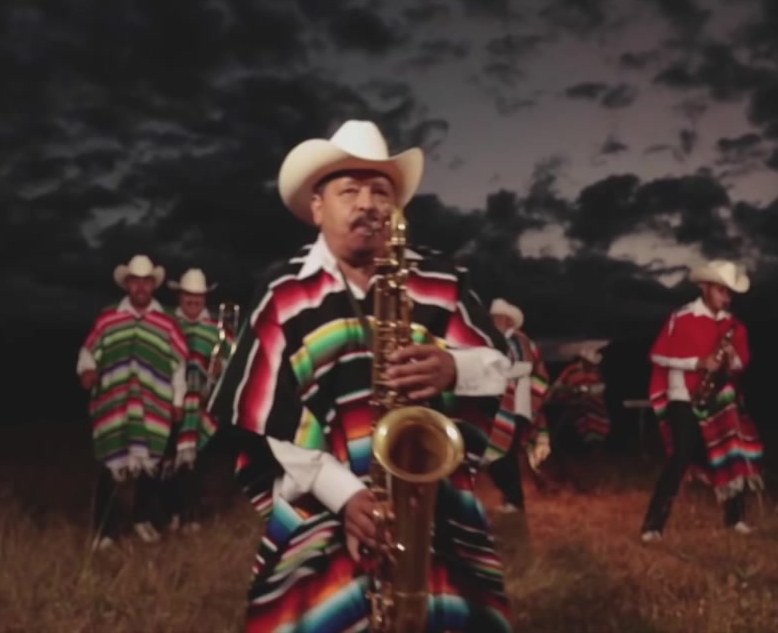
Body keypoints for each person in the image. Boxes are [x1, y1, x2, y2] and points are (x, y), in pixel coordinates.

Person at [208, 120, 514, 632]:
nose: (367, 204)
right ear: (317, 207)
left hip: (433, 503)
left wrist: (454, 367)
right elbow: (268, 417)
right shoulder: (284, 292)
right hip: (319, 503)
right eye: (349, 191)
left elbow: (499, 367)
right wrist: (345, 494)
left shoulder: (442, 279)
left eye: (380, 192)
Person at [639, 260, 762, 542]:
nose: (726, 298)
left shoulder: (733, 325)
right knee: (681, 456)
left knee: (733, 451)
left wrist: (731, 356)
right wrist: (697, 362)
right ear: (705, 287)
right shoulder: (681, 317)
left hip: (721, 399)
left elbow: (741, 364)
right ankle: (653, 525)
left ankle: (735, 519)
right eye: (721, 291)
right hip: (683, 395)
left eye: (729, 293)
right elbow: (658, 355)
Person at [77, 254, 189, 549]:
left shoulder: (166, 322)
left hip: (154, 405)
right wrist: (87, 369)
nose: (141, 287)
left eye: (146, 282)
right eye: (135, 281)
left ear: (153, 285)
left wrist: (178, 401)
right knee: (110, 466)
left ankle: (142, 518)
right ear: (127, 284)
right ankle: (106, 531)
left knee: (150, 465)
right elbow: (88, 351)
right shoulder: (109, 317)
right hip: (114, 403)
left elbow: (178, 365)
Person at [159, 267, 225, 533]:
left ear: (204, 299)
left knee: (196, 460)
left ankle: (191, 514)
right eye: (189, 298)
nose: (193, 303)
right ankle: (169, 513)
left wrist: (220, 368)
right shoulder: (168, 325)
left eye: (198, 299)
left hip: (201, 403)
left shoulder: (215, 330)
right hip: (170, 400)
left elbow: (229, 361)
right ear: (180, 297)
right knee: (169, 457)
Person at [483, 298, 551, 512]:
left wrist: (492, 373)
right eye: (493, 318)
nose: (494, 322)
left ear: (508, 320)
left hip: (516, 407)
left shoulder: (518, 339)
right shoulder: (501, 341)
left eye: (497, 318)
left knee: (504, 454)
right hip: (507, 406)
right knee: (501, 454)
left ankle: (514, 500)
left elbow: (524, 367)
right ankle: (512, 498)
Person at [551, 347, 609, 448]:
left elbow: (601, 387)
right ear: (583, 360)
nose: (591, 365)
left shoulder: (596, 371)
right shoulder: (571, 370)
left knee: (595, 410)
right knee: (577, 411)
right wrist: (572, 390)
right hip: (571, 400)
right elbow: (557, 386)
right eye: (589, 362)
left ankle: (595, 440)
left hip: (592, 401)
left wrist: (590, 391)